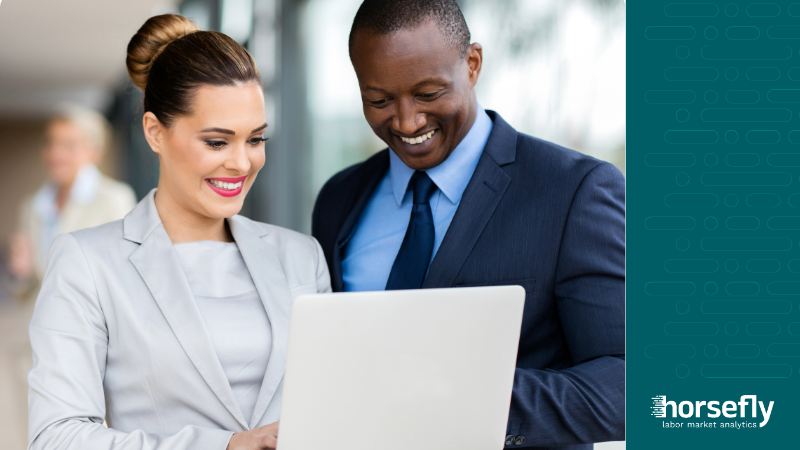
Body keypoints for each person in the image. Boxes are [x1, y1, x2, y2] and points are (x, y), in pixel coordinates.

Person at [311, 0, 625, 448]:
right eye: (378, 100)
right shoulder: (339, 200)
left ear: (473, 63)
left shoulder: (574, 191)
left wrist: (466, 399)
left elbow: (625, 381)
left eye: (428, 93)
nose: (407, 121)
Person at [27, 14, 331, 450]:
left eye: (255, 139)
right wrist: (224, 446)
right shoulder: (87, 263)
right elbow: (57, 437)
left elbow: (330, 404)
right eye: (216, 142)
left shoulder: (302, 257)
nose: (242, 163)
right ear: (154, 132)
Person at [8, 106, 137, 298]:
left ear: (95, 152)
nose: (55, 154)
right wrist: (21, 274)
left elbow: (126, 274)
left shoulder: (114, 199)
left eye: (69, 145)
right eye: (49, 143)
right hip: (43, 325)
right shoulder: (32, 206)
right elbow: (27, 292)